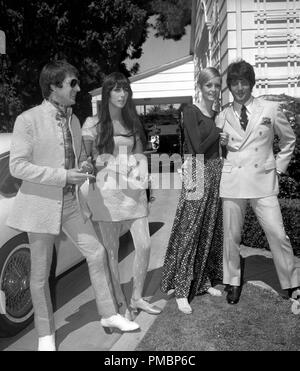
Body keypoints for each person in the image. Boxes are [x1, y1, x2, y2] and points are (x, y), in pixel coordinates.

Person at [7, 61, 139, 351]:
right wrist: (63, 175)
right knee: (40, 275)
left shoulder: (75, 120)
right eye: (73, 83)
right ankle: (46, 335)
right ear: (54, 86)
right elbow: (17, 166)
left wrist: (84, 163)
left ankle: (109, 314)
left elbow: (79, 154)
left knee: (97, 253)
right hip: (40, 206)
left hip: (70, 203)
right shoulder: (27, 120)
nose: (78, 88)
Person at [215, 59, 300, 304]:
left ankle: (292, 282)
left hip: (263, 182)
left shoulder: (270, 109)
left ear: (251, 83)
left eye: (243, 82)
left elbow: (288, 140)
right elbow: (219, 150)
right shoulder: (222, 116)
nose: (239, 87)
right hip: (233, 182)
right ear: (229, 86)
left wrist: (278, 169)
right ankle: (232, 281)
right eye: (234, 83)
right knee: (231, 236)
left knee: (277, 233)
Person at [80, 72, 161, 320]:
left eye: (125, 89)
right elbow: (86, 159)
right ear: (106, 94)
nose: (122, 94)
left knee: (145, 245)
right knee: (111, 250)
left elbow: (140, 156)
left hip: (133, 192)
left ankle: (137, 296)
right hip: (107, 195)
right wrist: (94, 166)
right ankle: (119, 297)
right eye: (116, 89)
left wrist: (144, 174)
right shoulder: (91, 124)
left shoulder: (133, 123)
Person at [160, 67, 228, 314]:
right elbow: (198, 147)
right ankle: (180, 289)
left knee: (208, 228)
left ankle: (202, 282)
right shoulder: (191, 111)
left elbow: (216, 150)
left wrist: (223, 142)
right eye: (209, 85)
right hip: (197, 170)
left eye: (217, 85)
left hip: (214, 170)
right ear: (200, 86)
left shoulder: (216, 114)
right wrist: (218, 130)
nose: (213, 90)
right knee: (189, 229)